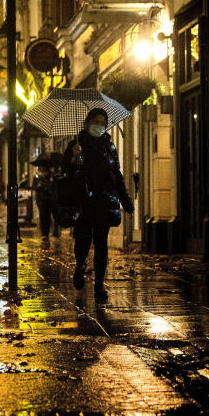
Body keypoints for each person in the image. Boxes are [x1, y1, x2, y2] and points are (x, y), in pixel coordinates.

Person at [63, 108, 134, 301]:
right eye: (96, 122)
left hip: (104, 201)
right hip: (83, 202)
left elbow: (116, 176)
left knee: (102, 244)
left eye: (103, 123)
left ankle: (99, 285)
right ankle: (80, 265)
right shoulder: (76, 145)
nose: (99, 126)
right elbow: (66, 173)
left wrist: (126, 202)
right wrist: (72, 159)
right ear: (87, 123)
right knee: (83, 242)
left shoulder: (109, 147)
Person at [32, 166, 60, 247]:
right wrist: (39, 186)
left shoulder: (52, 176)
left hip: (50, 199)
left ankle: (52, 231)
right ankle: (44, 234)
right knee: (43, 216)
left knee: (50, 216)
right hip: (41, 199)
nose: (44, 172)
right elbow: (34, 187)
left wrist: (51, 182)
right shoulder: (37, 177)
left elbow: (55, 186)